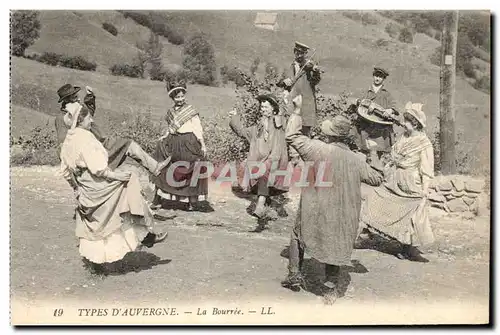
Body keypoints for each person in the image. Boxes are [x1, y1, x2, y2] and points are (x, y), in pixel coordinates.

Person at [281, 95, 383, 296]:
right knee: (337, 241)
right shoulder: (356, 160)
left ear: (329, 134)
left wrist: (296, 110)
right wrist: (372, 153)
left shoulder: (316, 148)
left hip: (314, 209)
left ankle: (294, 275)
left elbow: (291, 135)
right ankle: (330, 287)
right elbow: (377, 178)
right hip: (342, 214)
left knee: (297, 233)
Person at [59, 104, 168, 270]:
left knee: (101, 218)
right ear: (81, 120)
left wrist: (77, 189)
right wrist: (118, 176)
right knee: (129, 185)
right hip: (98, 186)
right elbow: (99, 169)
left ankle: (98, 261)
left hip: (86, 189)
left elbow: (66, 172)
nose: (92, 120)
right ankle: (146, 234)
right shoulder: (87, 139)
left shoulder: (69, 140)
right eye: (89, 118)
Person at [358, 102, 435, 262]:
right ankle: (370, 229)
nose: (403, 124)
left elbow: (426, 169)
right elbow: (394, 155)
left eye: (407, 121)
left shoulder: (424, 144)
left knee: (410, 213)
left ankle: (406, 248)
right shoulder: (404, 137)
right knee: (377, 196)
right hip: (395, 178)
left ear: (415, 124)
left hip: (411, 181)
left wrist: (425, 190)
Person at [228, 94, 289, 219]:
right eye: (261, 107)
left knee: (265, 171)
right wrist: (234, 117)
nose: (263, 110)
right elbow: (242, 132)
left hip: (276, 158)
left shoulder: (279, 123)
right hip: (260, 161)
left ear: (273, 109)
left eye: (266, 107)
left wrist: (285, 101)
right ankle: (265, 204)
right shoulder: (256, 128)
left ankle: (261, 205)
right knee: (262, 173)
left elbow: (283, 118)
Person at [151, 80, 208, 212]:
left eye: (182, 96)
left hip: (189, 142)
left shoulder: (190, 110)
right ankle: (158, 198)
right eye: (177, 97)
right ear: (172, 97)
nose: (180, 99)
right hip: (174, 141)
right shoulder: (170, 112)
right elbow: (170, 129)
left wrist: (203, 145)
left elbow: (197, 128)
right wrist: (164, 136)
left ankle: (190, 202)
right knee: (163, 166)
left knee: (190, 169)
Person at [352, 67, 399, 167]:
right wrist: (360, 103)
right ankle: (365, 171)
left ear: (384, 79)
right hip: (366, 126)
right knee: (364, 150)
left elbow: (394, 106)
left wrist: (390, 110)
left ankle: (377, 172)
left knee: (379, 152)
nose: (377, 78)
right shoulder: (366, 92)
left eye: (380, 77)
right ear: (373, 76)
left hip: (379, 128)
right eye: (376, 75)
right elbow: (356, 102)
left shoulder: (386, 94)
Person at [282, 42, 321, 137]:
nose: (299, 55)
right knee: (290, 131)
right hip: (293, 103)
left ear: (305, 54)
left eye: (301, 53)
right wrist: (284, 82)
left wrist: (315, 71)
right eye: (297, 52)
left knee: (304, 133)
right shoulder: (291, 66)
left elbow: (315, 80)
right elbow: (281, 81)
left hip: (306, 105)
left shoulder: (309, 67)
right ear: (294, 52)